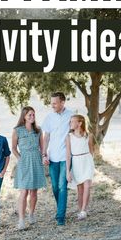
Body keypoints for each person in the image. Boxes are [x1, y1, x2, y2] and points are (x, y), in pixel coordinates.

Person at [12, 106, 46, 230]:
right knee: (24, 191)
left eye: (33, 115)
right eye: (29, 115)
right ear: (24, 116)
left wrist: (44, 156)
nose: (32, 117)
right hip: (24, 161)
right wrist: (20, 159)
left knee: (34, 191)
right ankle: (21, 220)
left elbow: (42, 147)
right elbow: (14, 148)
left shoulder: (38, 130)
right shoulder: (17, 130)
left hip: (36, 160)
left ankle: (31, 214)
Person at [42, 92, 73, 225]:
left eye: (55, 103)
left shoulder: (71, 115)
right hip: (53, 157)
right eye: (52, 102)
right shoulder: (49, 117)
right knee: (55, 187)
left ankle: (61, 216)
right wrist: (44, 154)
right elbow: (46, 137)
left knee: (62, 186)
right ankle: (60, 207)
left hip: (66, 157)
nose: (52, 105)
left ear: (62, 102)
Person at [66, 114, 94, 220]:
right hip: (76, 162)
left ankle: (83, 210)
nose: (70, 123)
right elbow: (68, 154)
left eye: (73, 121)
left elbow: (91, 150)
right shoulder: (69, 137)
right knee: (80, 188)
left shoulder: (88, 135)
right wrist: (67, 171)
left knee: (87, 185)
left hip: (87, 161)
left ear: (80, 123)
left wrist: (91, 161)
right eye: (70, 121)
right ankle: (80, 209)